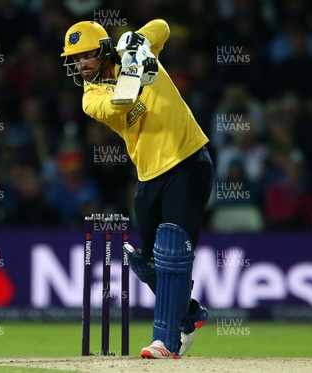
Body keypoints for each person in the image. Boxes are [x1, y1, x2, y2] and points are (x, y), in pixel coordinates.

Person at [60, 19, 214, 359]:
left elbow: (162, 27)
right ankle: (189, 313)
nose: (80, 64)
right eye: (74, 59)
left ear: (102, 51)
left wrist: (138, 42)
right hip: (148, 175)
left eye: (85, 56)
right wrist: (135, 74)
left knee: (173, 250)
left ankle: (165, 342)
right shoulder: (91, 96)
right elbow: (120, 104)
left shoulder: (131, 50)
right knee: (147, 262)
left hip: (188, 160)